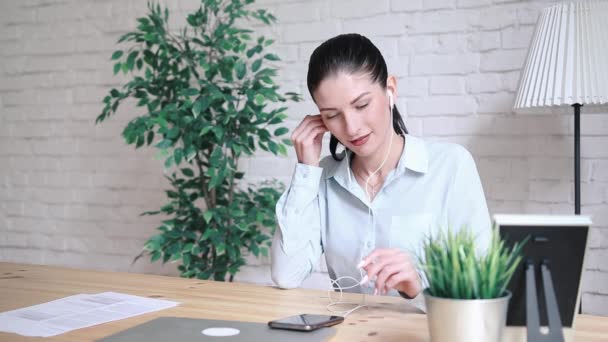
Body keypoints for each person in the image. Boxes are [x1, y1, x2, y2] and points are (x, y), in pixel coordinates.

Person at [270, 33, 491, 308]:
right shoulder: (323, 178)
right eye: (332, 115)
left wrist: (417, 287)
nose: (351, 127)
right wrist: (306, 171)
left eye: (362, 105)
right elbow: (285, 274)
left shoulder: (450, 166)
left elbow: (482, 287)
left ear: (390, 90)